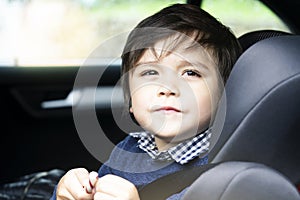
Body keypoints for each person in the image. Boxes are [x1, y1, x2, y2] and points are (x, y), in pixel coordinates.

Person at [51, 3, 242, 200]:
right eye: (150, 72)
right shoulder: (129, 149)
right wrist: (69, 193)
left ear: (223, 95)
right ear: (131, 101)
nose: (167, 88)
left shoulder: (218, 172)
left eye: (190, 73)